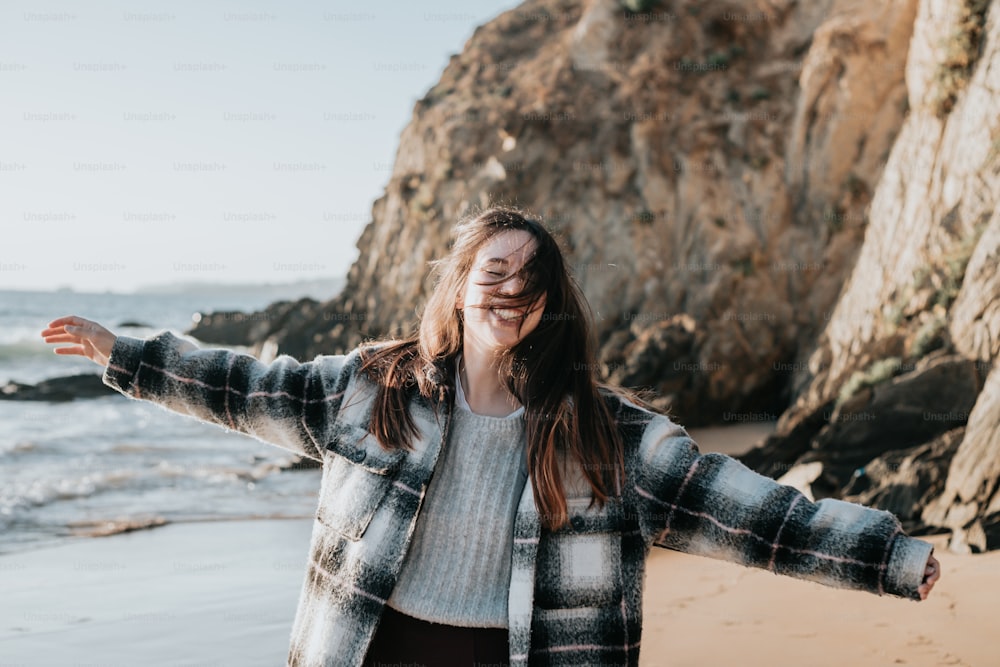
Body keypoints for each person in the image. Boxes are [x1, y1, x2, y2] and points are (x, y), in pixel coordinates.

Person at [42, 207, 940, 667]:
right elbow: (244, 385)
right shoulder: (372, 388)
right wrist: (126, 354)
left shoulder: (605, 436)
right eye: (495, 267)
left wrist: (888, 556)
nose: (512, 285)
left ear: (550, 302)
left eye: (531, 275)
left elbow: (752, 512)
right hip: (372, 645)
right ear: (461, 281)